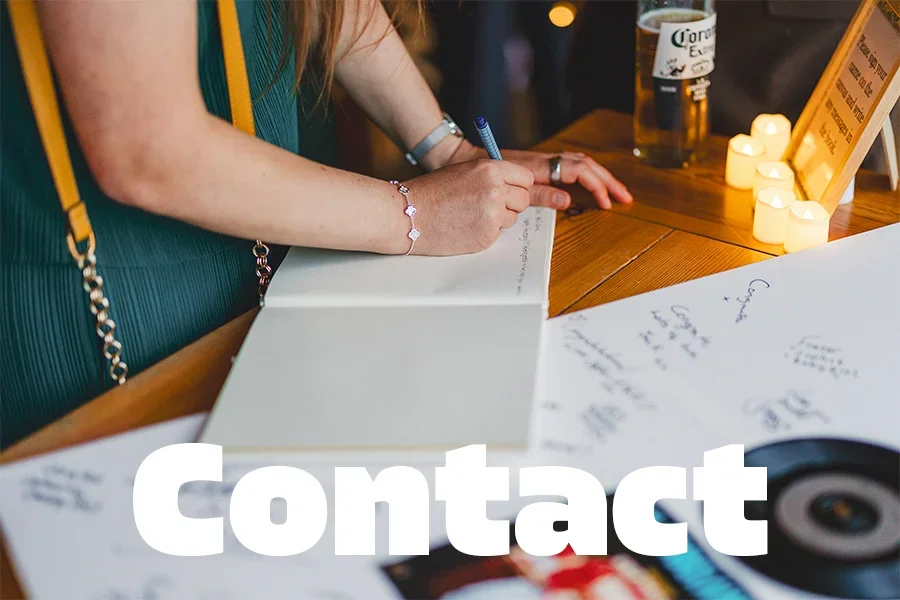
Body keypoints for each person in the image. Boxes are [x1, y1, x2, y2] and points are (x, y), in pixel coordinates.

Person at [0, 0, 632, 448]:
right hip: (100, 299)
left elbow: (329, 7)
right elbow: (145, 151)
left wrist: (448, 150)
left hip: (261, 245)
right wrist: (415, 213)